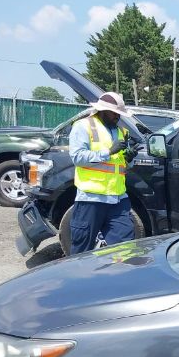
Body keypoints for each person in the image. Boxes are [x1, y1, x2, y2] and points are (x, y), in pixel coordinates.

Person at [68, 92, 136, 254]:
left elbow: (120, 166)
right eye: (114, 113)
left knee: (124, 246)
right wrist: (109, 151)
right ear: (102, 110)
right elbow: (77, 157)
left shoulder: (122, 132)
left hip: (118, 198)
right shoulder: (83, 126)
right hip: (91, 198)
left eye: (119, 114)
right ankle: (80, 277)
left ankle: (111, 275)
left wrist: (129, 159)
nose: (117, 117)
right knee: (82, 246)